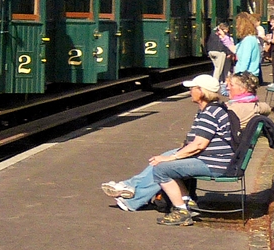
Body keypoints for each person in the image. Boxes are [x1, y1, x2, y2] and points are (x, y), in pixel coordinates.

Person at [100, 74, 236, 227]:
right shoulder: (211, 110)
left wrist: (173, 158)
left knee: (162, 169)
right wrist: (171, 156)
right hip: (212, 159)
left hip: (214, 163)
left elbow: (199, 145)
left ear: (202, 92)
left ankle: (181, 211)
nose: (190, 91)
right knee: (165, 157)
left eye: (193, 88)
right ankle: (135, 191)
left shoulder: (210, 113)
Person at [232, 12, 263, 79]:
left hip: (246, 75)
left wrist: (239, 74)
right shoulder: (249, 39)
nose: (236, 26)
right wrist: (224, 39)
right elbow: (234, 49)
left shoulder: (248, 40)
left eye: (237, 24)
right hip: (248, 74)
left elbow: (245, 59)